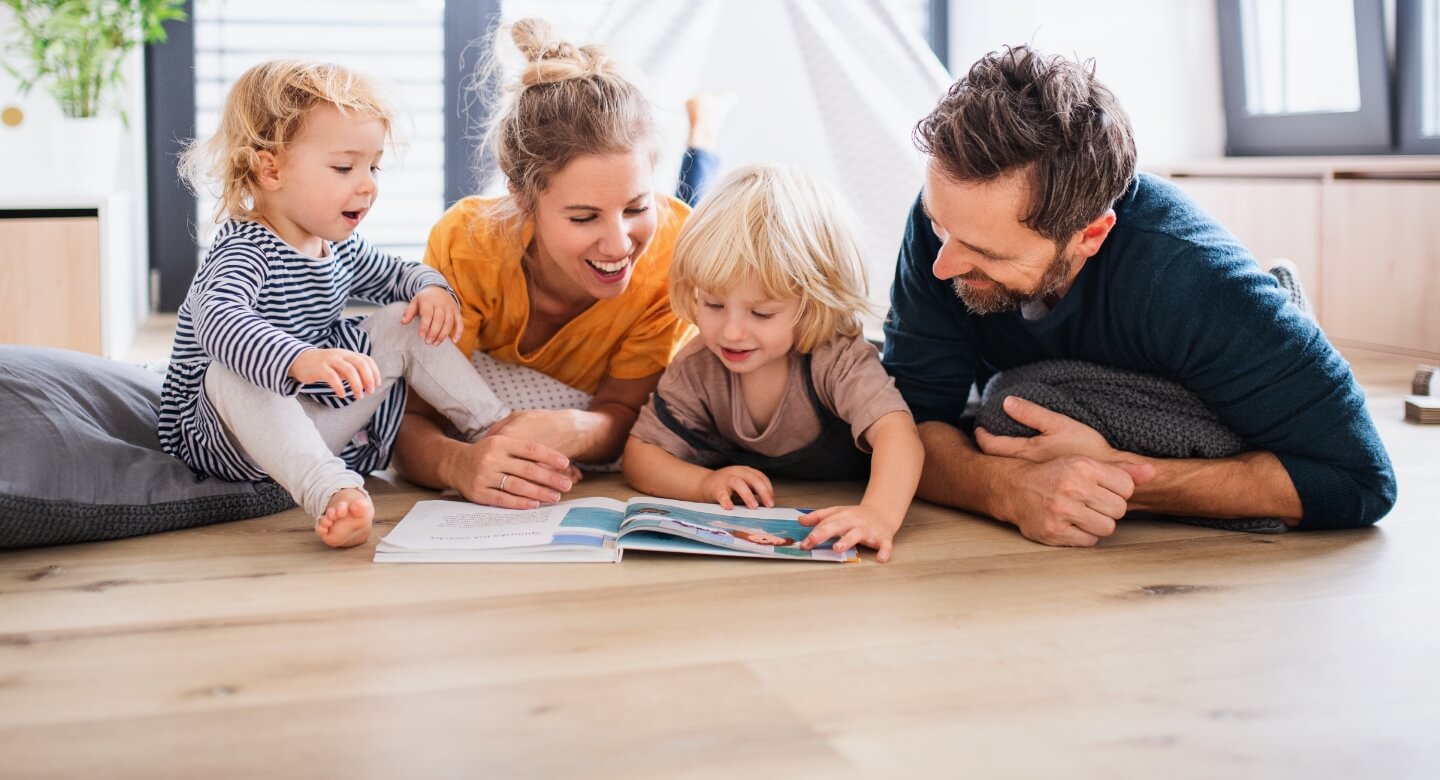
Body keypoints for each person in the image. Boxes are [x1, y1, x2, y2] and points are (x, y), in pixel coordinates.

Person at [883, 45, 1397, 547]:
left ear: (1090, 235)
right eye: (938, 223)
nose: (941, 265)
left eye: (985, 252)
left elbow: (1360, 481)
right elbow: (905, 425)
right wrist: (1004, 490)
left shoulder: (1193, 280)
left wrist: (1122, 479)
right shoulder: (950, 223)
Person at [161, 60, 512, 548]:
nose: (367, 184)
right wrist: (298, 359)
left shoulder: (337, 246)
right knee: (228, 370)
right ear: (271, 169)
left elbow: (398, 273)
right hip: (226, 438)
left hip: (309, 420)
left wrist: (432, 289)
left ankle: (496, 426)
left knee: (402, 319)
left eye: (373, 166)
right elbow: (218, 321)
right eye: (345, 167)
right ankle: (332, 490)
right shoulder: (245, 250)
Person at [392, 19, 698, 509]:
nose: (620, 244)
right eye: (583, 217)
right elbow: (409, 417)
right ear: (522, 199)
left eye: (638, 208)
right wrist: (457, 464)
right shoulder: (469, 245)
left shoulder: (673, 253)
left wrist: (578, 426)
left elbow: (625, 412)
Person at [623, 165, 925, 562]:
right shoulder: (698, 364)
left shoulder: (835, 357)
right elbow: (640, 455)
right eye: (713, 304)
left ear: (812, 304)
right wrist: (705, 483)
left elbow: (900, 435)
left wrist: (877, 514)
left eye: (761, 313)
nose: (731, 332)